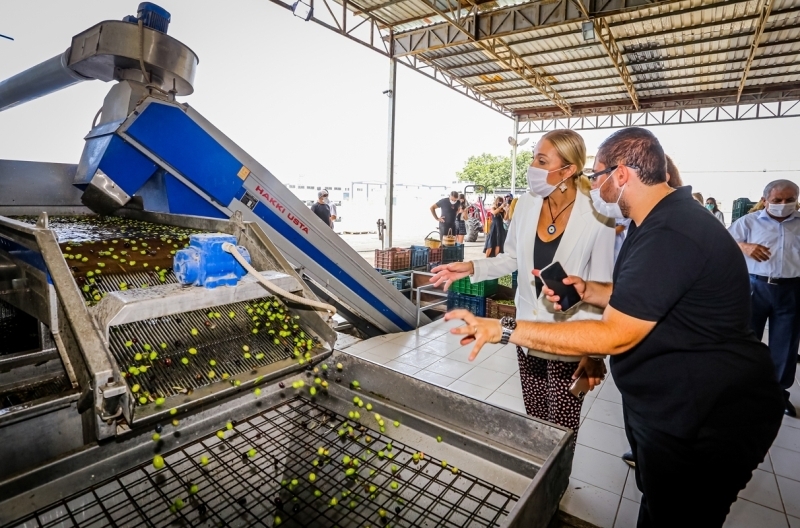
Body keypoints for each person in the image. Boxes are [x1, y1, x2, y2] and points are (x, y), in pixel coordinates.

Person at [444, 127, 784, 527]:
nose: (596, 182)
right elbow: (642, 293)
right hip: (674, 406)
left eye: (599, 172)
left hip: (707, 417)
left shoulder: (672, 232)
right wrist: (588, 290)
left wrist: (503, 329)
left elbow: (616, 333)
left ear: (621, 174)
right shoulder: (657, 220)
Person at [430, 129, 614, 446]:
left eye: (541, 160)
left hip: (569, 337)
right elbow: (512, 257)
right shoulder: (527, 205)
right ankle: (540, 476)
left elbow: (602, 286)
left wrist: (595, 352)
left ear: (568, 170)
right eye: (533, 158)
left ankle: (557, 480)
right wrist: (473, 266)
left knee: (562, 426)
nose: (532, 167)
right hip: (526, 330)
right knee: (535, 416)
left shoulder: (598, 215)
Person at [621, 153, 682, 468]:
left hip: (665, 355)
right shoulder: (640, 222)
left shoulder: (672, 228)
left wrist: (508, 330)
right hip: (641, 356)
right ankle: (642, 454)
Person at [729, 179, 800, 417]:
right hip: (755, 287)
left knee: (786, 344)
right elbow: (723, 243)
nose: (783, 205)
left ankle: (779, 394)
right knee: (746, 341)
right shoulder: (749, 222)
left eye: (789, 200)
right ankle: (741, 390)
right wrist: (744, 247)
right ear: (765, 199)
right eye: (777, 200)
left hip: (791, 289)